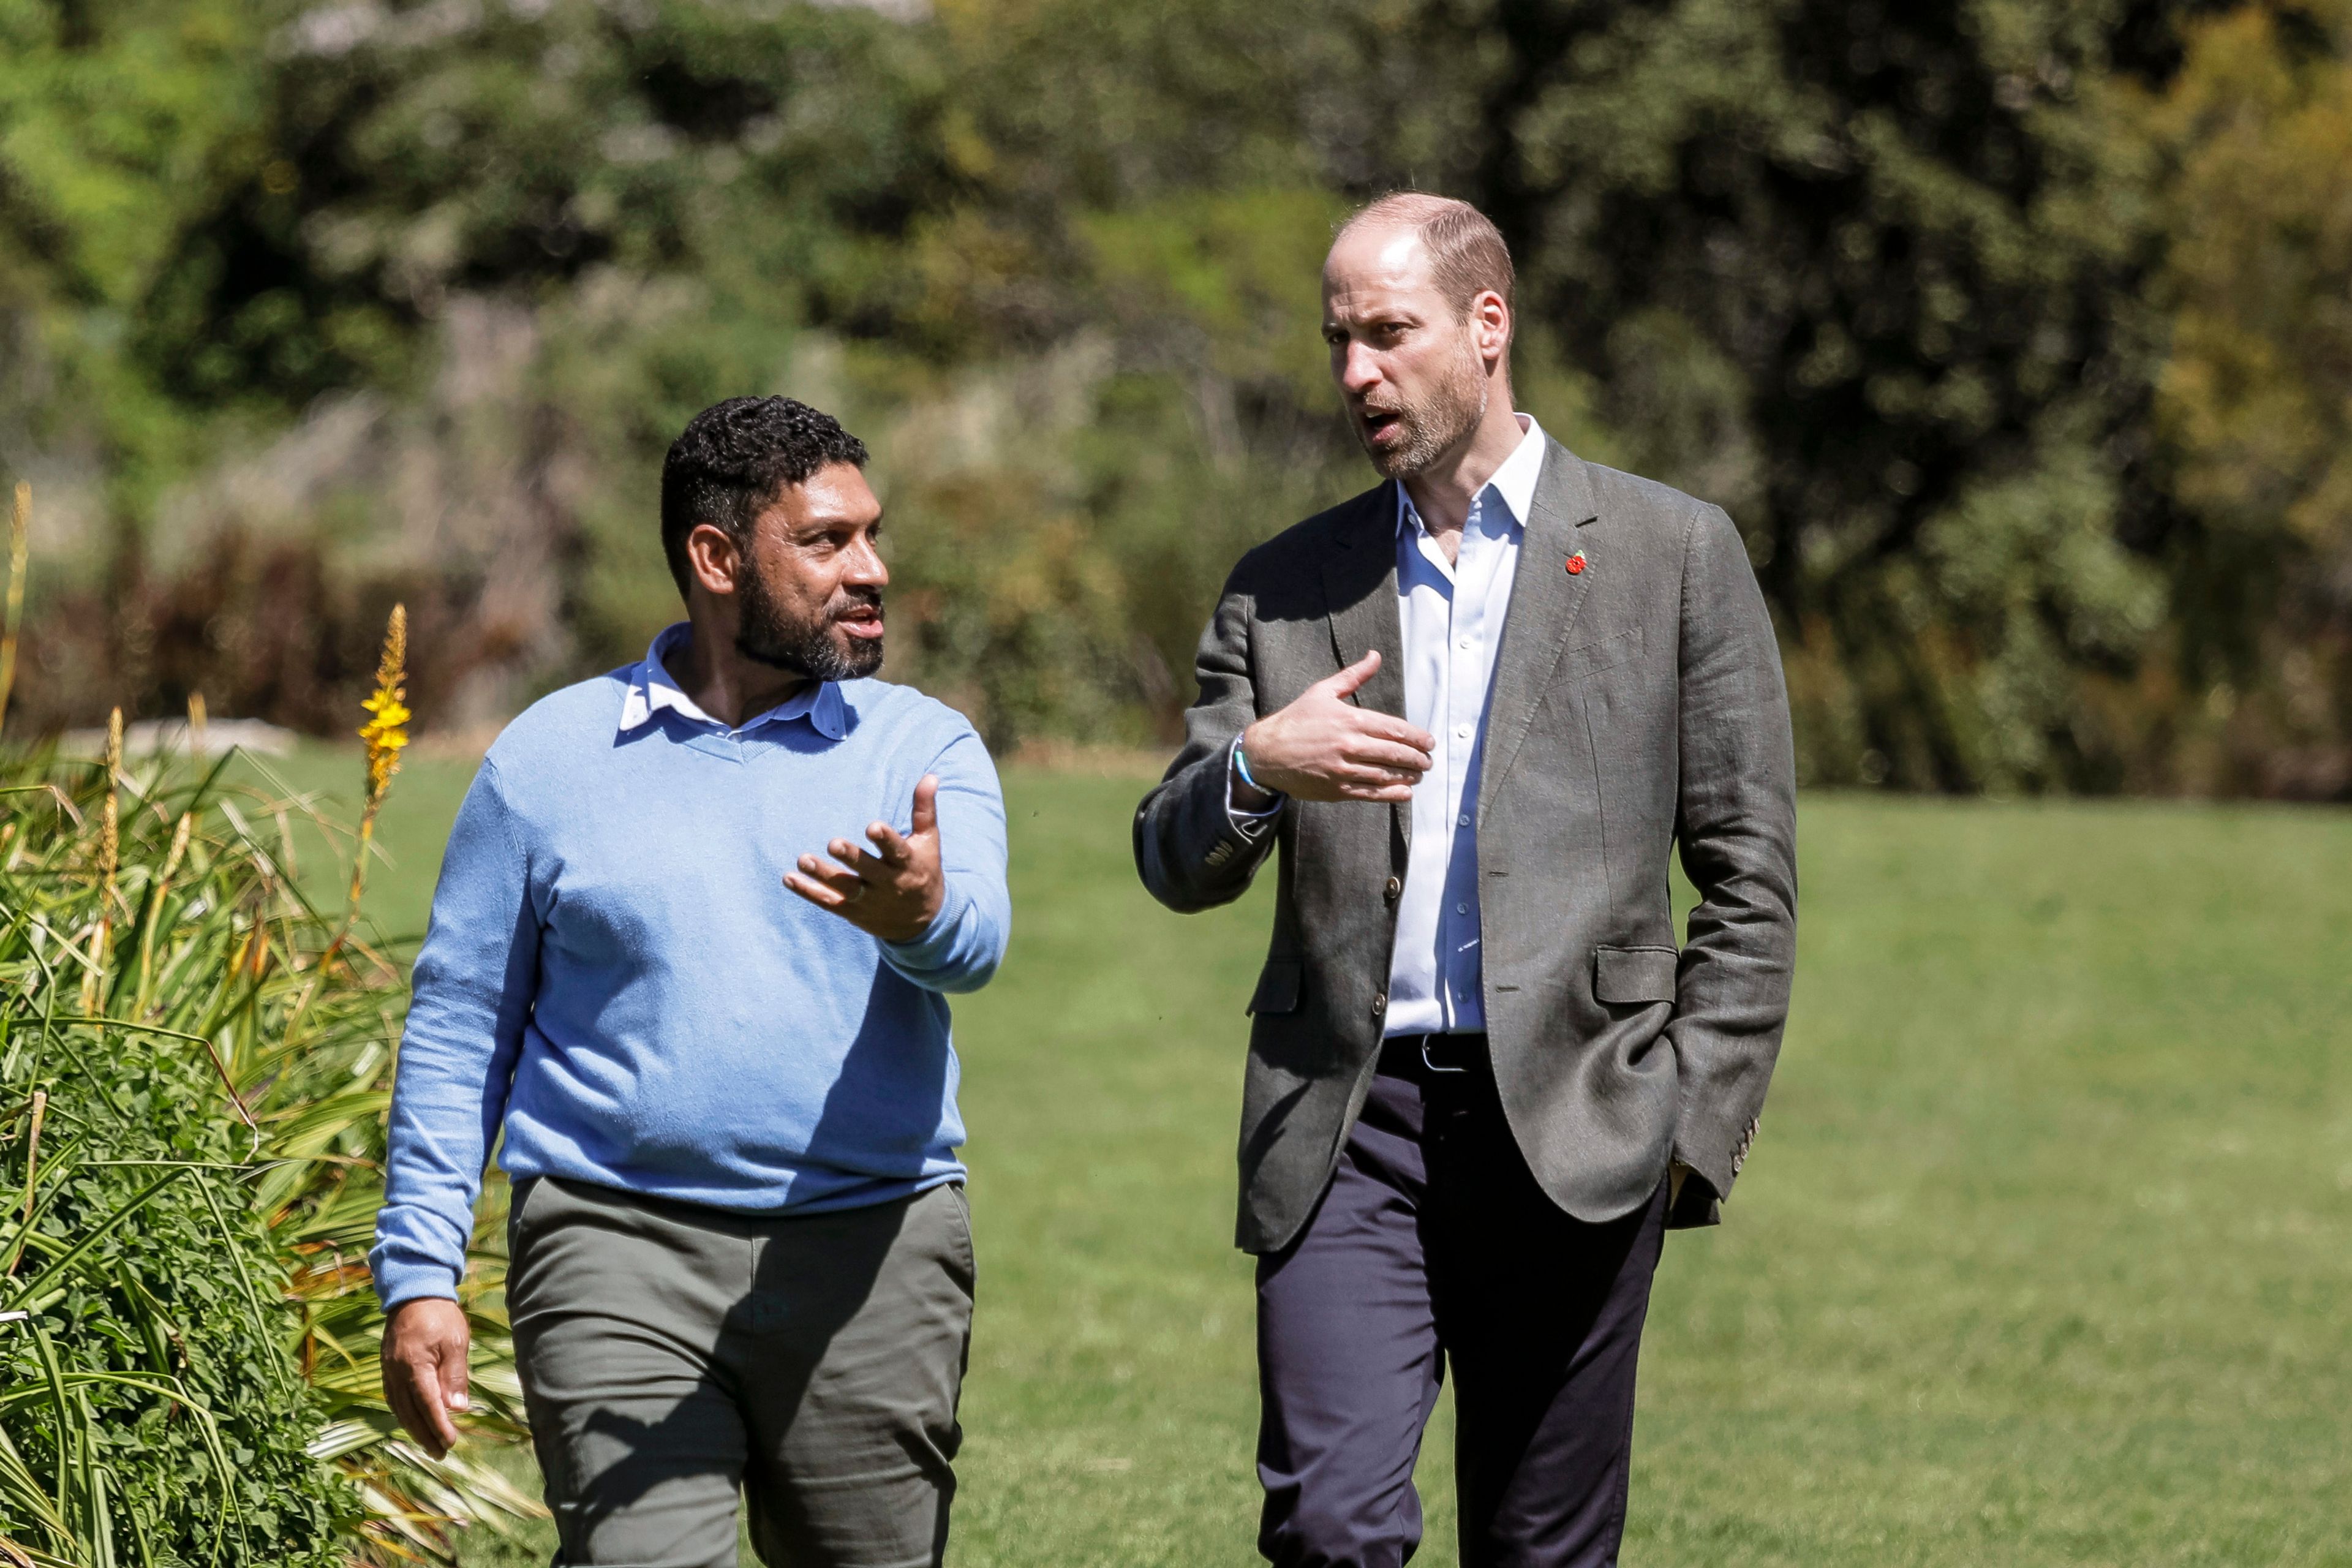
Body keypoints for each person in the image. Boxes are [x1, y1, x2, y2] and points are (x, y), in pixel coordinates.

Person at [1134, 193, 1798, 1567]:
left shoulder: (1676, 553)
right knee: (1329, 1524)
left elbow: (1750, 875)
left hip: (1576, 1119)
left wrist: (1683, 1119)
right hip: (1345, 1122)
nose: (1355, 373)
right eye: (1338, 340)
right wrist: (1259, 764)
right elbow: (1172, 853)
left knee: (1543, 1546)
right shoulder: (1283, 588)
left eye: (1389, 333)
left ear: (1487, 327)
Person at [371, 396, 1009, 1568]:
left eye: (872, 533)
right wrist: (420, 1271)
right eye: (827, 542)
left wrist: (918, 914)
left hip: (872, 1250)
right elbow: (461, 1026)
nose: (872, 569)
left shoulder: (921, 746)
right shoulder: (549, 761)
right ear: (717, 559)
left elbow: (972, 940)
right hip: (613, 1244)